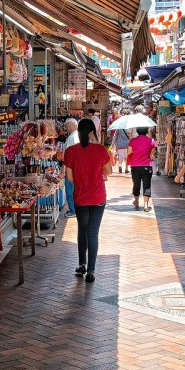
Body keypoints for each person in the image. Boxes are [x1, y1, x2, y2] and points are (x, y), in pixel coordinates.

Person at [63, 118, 112, 284]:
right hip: (98, 196)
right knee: (93, 232)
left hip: (80, 197)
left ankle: (81, 264)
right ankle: (91, 270)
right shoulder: (100, 150)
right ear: (92, 131)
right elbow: (109, 172)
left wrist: (82, 183)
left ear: (77, 131)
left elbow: (69, 178)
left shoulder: (71, 151)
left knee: (82, 230)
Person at [127, 127, 156, 212]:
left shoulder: (133, 141)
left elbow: (129, 152)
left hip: (135, 166)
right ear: (147, 131)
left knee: (136, 184)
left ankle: (136, 200)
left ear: (137, 131)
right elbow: (152, 154)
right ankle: (146, 205)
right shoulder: (151, 141)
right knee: (146, 185)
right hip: (147, 166)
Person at [62, 118, 80, 219]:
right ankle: (74, 209)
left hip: (71, 169)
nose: (66, 128)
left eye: (67, 126)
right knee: (73, 189)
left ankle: (73, 210)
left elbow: (68, 156)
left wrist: (63, 169)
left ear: (70, 126)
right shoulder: (77, 136)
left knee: (69, 190)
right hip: (75, 168)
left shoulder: (71, 138)